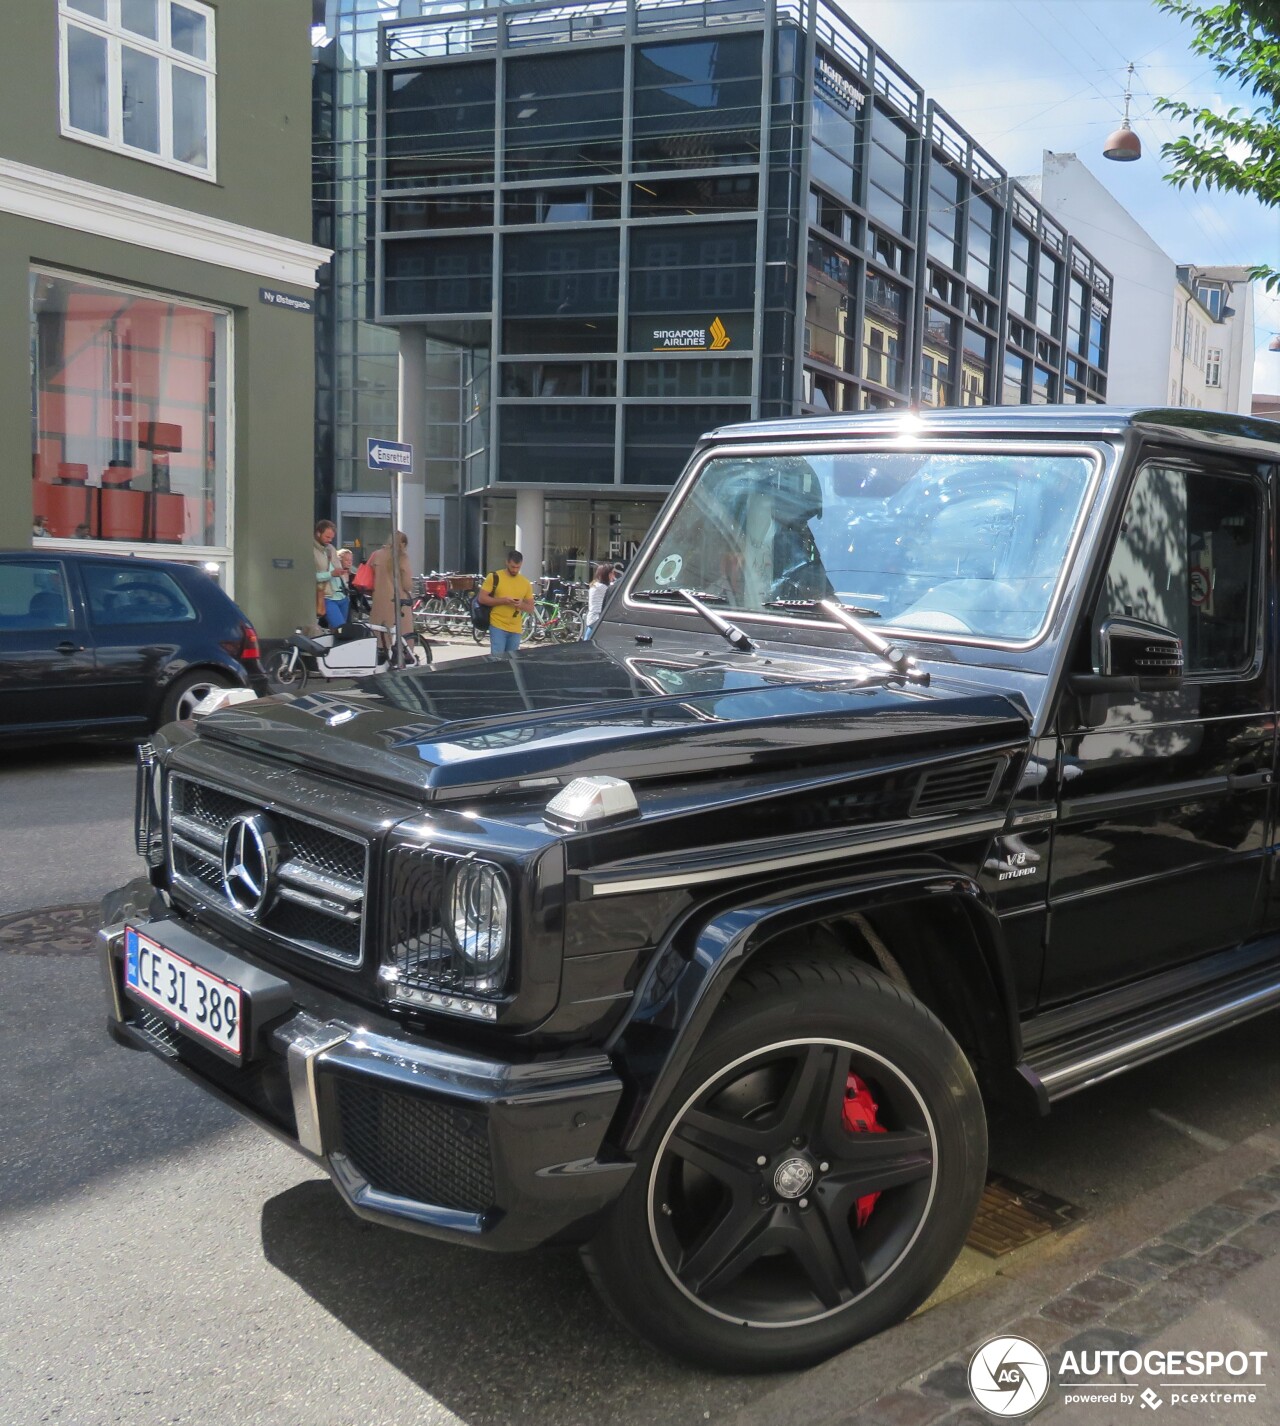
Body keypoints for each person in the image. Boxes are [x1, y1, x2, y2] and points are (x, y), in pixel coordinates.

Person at [479, 548, 535, 655]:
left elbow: (531, 608)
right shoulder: (494, 577)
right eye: (512, 567)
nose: (514, 570)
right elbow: (482, 598)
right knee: (497, 659)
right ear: (507, 562)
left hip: (516, 628)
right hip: (497, 624)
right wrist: (503, 600)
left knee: (512, 660)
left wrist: (521, 604)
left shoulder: (525, 582)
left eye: (518, 567)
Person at [368, 530, 415, 658]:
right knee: (403, 631)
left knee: (380, 631)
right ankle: (405, 657)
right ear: (404, 544)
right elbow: (407, 584)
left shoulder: (376, 555)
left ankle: (381, 656)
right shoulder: (402, 557)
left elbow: (369, 574)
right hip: (398, 600)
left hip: (378, 599)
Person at [313, 519, 345, 631]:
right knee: (341, 630)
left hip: (342, 595)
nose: (329, 540)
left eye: (331, 538)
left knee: (341, 632)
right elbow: (310, 576)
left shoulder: (330, 548)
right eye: (327, 537)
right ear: (318, 533)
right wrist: (330, 574)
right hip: (327, 596)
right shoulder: (311, 550)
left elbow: (337, 567)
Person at [583, 561, 617, 639]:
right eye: (612, 573)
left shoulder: (595, 585)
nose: (614, 575)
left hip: (593, 619)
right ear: (607, 574)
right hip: (597, 619)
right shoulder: (602, 587)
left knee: (587, 640)